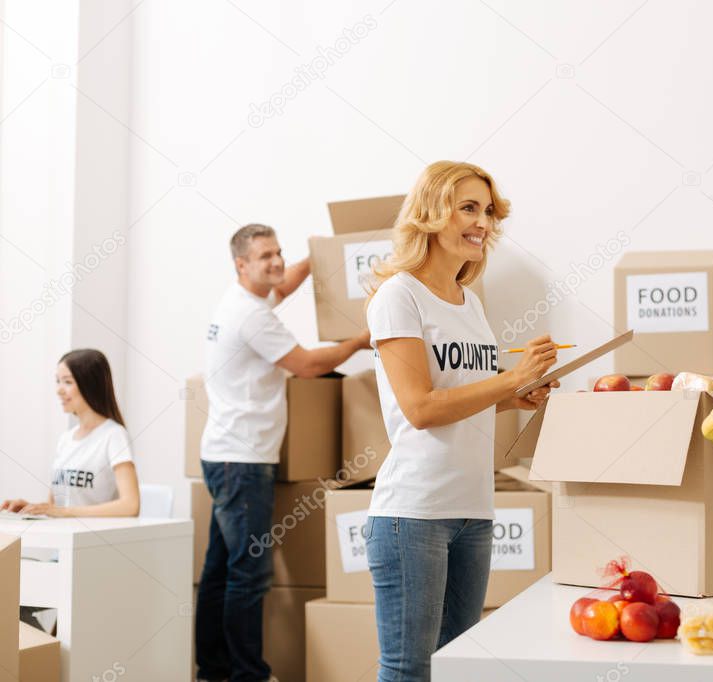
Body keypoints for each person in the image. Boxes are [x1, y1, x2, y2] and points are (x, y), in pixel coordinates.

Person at [365, 161, 559, 682]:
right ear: (431, 214)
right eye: (469, 208)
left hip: (473, 510)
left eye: (489, 212)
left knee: (457, 667)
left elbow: (457, 394)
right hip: (414, 515)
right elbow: (422, 408)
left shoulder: (469, 301)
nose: (484, 224)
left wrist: (514, 395)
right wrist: (509, 378)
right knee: (408, 669)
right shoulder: (398, 296)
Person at [195, 224, 370, 682]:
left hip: (227, 455)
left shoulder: (245, 300)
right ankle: (248, 675)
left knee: (220, 571)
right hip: (243, 462)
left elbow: (285, 283)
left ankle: (213, 669)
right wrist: (360, 340)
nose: (275, 263)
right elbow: (308, 366)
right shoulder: (252, 318)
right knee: (249, 574)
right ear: (241, 264)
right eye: (264, 256)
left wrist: (323, 254)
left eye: (278, 253)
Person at [2, 349, 139, 518]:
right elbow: (55, 507)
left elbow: (130, 505)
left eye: (67, 382)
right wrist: (32, 509)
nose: (59, 390)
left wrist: (64, 512)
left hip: (97, 541)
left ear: (90, 384)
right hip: (66, 540)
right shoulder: (66, 439)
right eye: (58, 381)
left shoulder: (114, 435)